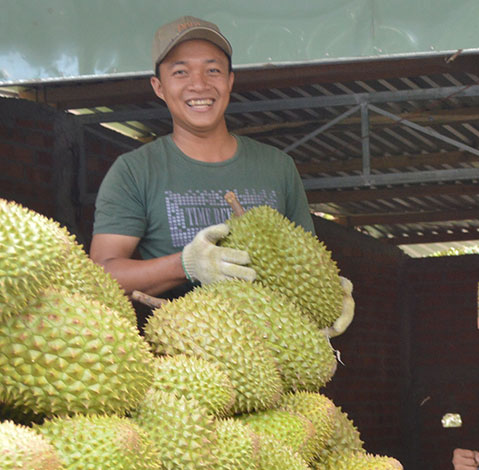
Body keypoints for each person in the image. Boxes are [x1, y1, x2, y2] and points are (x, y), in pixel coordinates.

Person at [89, 15, 316, 307]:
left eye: (213, 70)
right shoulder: (134, 171)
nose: (199, 85)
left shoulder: (278, 166)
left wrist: (335, 293)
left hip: (278, 344)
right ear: (159, 87)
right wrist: (185, 264)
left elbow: (309, 263)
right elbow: (101, 274)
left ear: (230, 81)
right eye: (181, 72)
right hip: (183, 346)